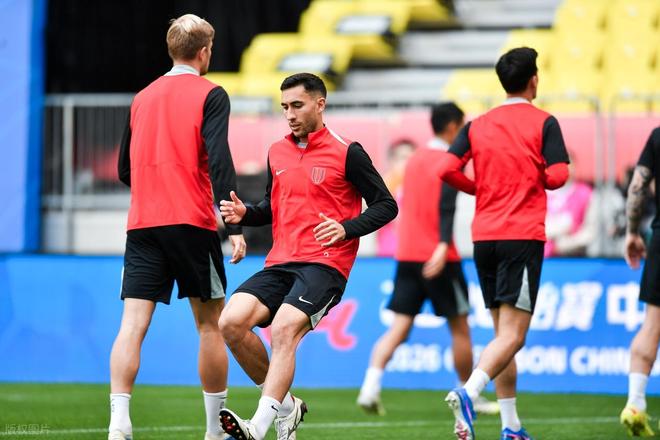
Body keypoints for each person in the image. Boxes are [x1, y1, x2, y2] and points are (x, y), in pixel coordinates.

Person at [217, 72, 398, 440]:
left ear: (320, 104)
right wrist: (246, 214)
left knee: (284, 329)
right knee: (230, 322)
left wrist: (347, 228)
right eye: (284, 107)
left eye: (297, 105)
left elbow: (386, 205)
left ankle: (258, 427)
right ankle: (287, 408)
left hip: (325, 264)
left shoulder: (348, 152)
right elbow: (273, 206)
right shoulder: (276, 151)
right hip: (280, 261)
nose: (289, 114)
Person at [109, 14, 246, 440]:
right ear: (204, 52)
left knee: (132, 326)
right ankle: (213, 431)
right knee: (209, 325)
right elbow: (219, 159)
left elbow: (124, 169)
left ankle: (118, 423)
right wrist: (233, 225)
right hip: (191, 224)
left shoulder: (142, 97)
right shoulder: (212, 93)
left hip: (142, 225)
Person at [438, 47, 570, 440]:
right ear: (534, 80)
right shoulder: (544, 122)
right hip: (521, 235)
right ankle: (469, 393)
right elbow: (559, 176)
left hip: (485, 237)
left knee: (502, 336)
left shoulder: (477, 124)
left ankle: (511, 426)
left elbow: (447, 168)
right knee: (514, 336)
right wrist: (531, 176)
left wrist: (480, 188)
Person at [356, 102, 498, 416]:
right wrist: (443, 244)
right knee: (460, 328)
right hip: (439, 256)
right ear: (452, 127)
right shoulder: (449, 160)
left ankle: (370, 386)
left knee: (399, 327)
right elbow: (447, 205)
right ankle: (468, 394)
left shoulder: (413, 160)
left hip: (407, 255)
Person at [620, 126, 660, 437]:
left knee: (651, 325)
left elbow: (637, 186)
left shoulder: (658, 135)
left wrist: (632, 232)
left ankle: (635, 402)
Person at [376, 139, 417, 257]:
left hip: (413, 257)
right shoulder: (381, 189)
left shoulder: (420, 191)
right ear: (392, 161)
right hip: (387, 256)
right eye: (404, 158)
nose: (409, 163)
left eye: (413, 159)